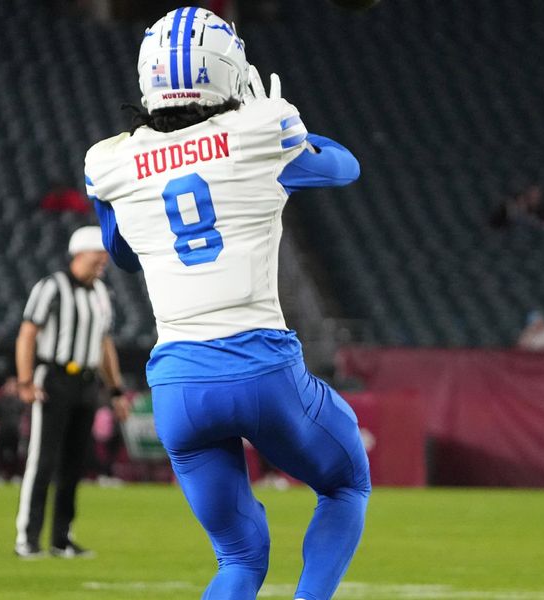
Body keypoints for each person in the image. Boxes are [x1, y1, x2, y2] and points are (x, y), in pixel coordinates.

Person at [85, 7, 370, 600]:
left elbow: (124, 253)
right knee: (345, 484)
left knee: (239, 558)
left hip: (178, 385)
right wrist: (286, 129)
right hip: (262, 368)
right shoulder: (262, 130)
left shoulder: (107, 160)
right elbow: (344, 167)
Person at [13, 225, 130, 559]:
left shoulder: (101, 294)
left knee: (75, 463)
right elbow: (27, 334)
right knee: (43, 459)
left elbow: (105, 344)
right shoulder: (51, 286)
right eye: (99, 253)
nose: (104, 260)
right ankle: (28, 537)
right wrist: (25, 381)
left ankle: (61, 539)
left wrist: (116, 389)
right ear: (80, 253)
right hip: (54, 377)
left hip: (85, 382)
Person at [0, 377, 25, 481]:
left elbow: (22, 414)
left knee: (15, 454)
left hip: (14, 431)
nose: (10, 388)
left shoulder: (20, 402)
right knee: (0, 454)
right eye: (8, 386)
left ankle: (15, 475)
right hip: (2, 431)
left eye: (13, 386)